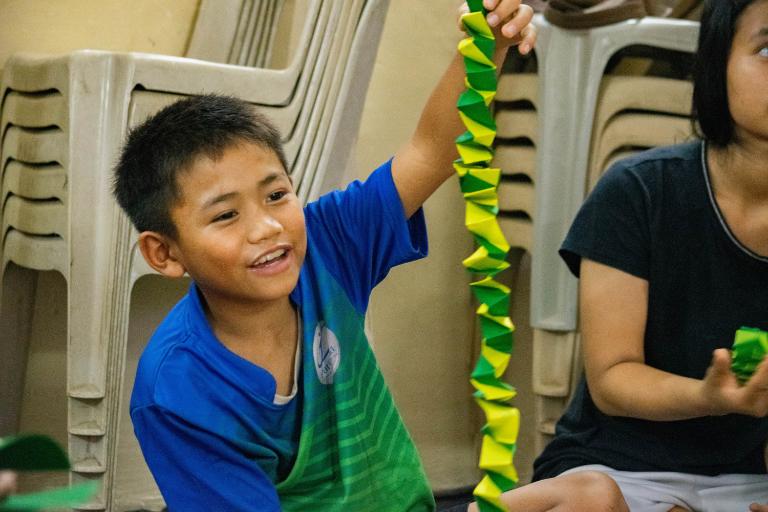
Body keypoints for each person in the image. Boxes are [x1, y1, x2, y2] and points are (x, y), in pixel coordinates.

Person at [113, 1, 627, 510]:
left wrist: (487, 44)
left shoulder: (326, 245)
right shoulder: (177, 389)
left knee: (592, 495)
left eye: (276, 196)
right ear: (165, 253)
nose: (267, 228)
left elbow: (430, 152)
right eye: (226, 216)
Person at [532, 0, 768, 511]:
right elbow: (614, 378)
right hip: (618, 466)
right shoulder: (639, 190)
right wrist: (708, 398)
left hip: (749, 479)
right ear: (716, 64)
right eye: (767, 49)